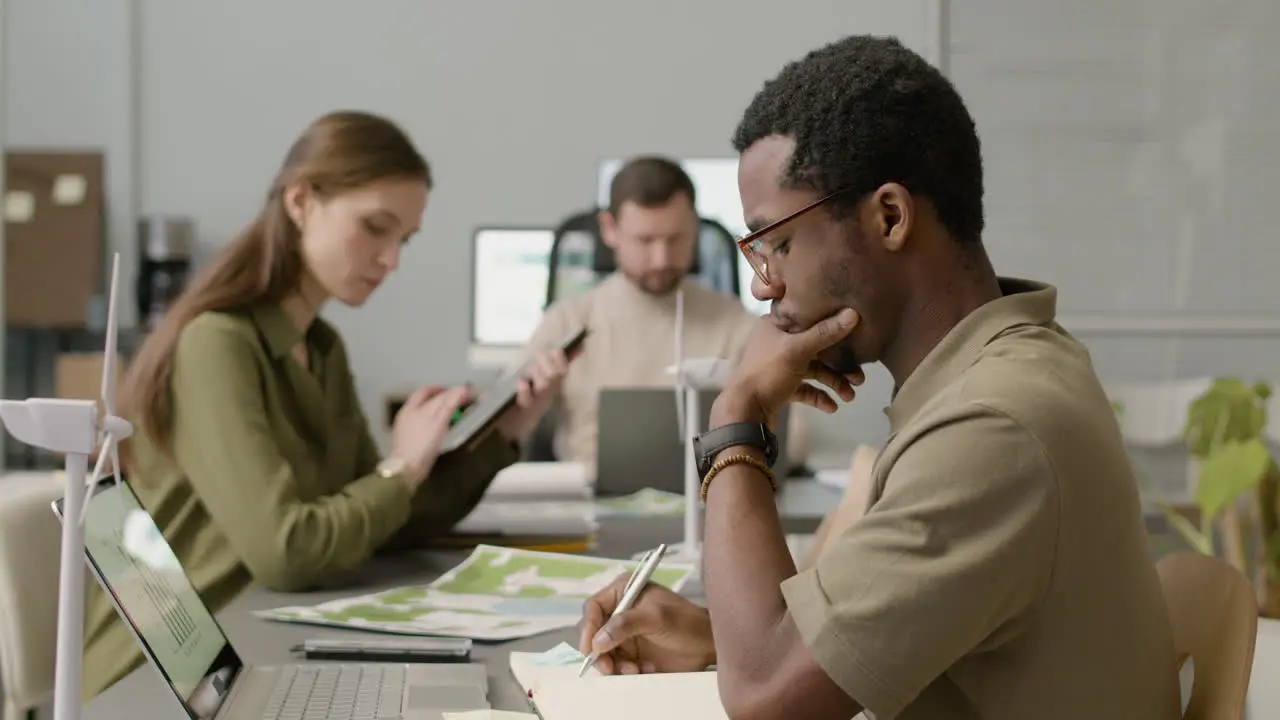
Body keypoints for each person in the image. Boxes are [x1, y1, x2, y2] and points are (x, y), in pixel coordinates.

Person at [578, 35, 1182, 720]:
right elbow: (814, 656)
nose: (766, 286)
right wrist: (725, 639)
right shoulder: (1011, 369)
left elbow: (765, 701)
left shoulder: (993, 428)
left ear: (889, 216)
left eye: (777, 243)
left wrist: (737, 418)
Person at [82, 110, 566, 699]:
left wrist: (507, 432)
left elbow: (384, 524)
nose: (392, 260)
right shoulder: (217, 343)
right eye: (375, 228)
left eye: (404, 240)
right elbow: (287, 552)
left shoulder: (321, 347)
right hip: (158, 683)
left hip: (250, 645)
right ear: (301, 201)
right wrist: (403, 466)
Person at [522, 156, 756, 468]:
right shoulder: (568, 321)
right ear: (609, 229)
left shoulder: (734, 322)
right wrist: (534, 403)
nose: (661, 259)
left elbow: (794, 437)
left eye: (675, 239)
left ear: (695, 227)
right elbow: (504, 432)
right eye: (645, 241)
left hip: (706, 495)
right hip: (589, 500)